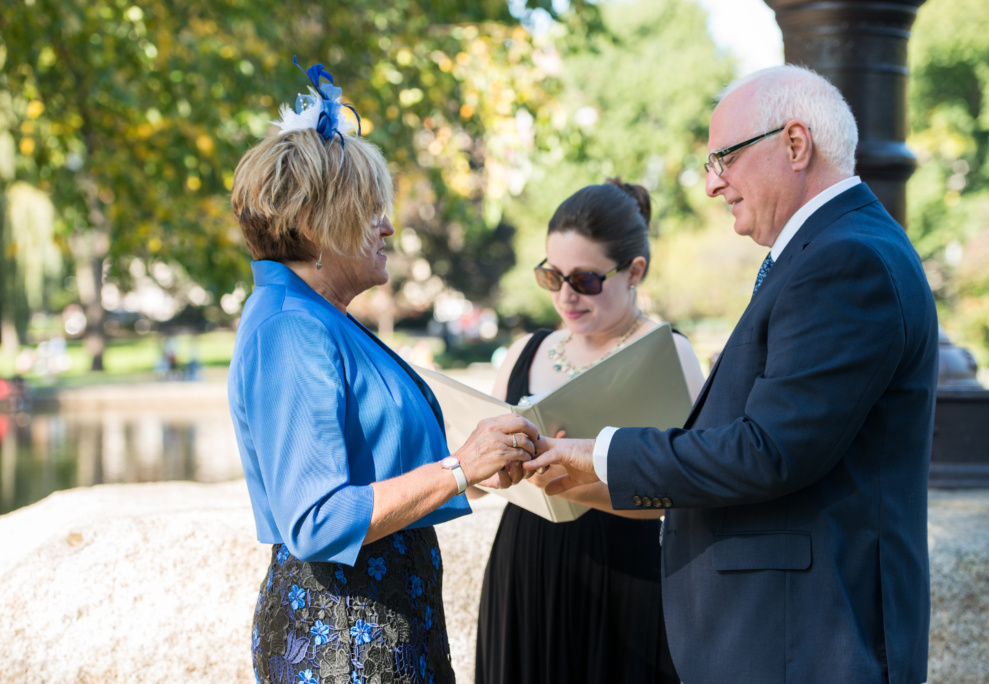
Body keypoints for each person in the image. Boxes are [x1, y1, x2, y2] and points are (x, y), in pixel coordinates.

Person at [527, 64, 939, 684]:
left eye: (726, 159)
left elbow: (768, 450)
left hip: (807, 644)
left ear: (795, 144)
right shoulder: (829, 249)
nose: (714, 184)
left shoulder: (846, 258)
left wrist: (600, 454)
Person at [227, 58, 538, 684]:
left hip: (379, 628)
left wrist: (477, 473)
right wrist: (456, 469)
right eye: (371, 209)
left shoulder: (318, 319)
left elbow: (378, 480)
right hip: (344, 642)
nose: (388, 225)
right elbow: (316, 520)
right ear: (315, 225)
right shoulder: (290, 327)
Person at [474, 179, 705, 684]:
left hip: (625, 574)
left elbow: (694, 487)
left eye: (585, 281)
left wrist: (578, 481)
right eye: (551, 277)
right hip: (525, 566)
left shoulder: (670, 353)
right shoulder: (525, 351)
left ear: (634, 272)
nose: (565, 296)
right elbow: (480, 473)